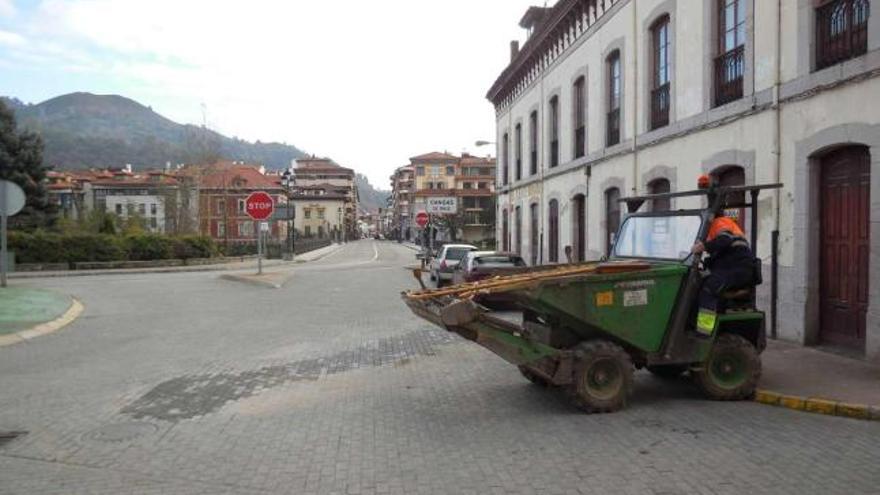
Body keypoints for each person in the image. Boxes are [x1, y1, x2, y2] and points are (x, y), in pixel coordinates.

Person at [691, 211, 753, 336]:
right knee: (696, 284)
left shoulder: (720, 222)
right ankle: (692, 324)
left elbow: (724, 240)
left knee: (709, 288)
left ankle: (704, 331)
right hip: (727, 268)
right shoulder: (711, 228)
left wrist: (704, 246)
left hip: (738, 269)